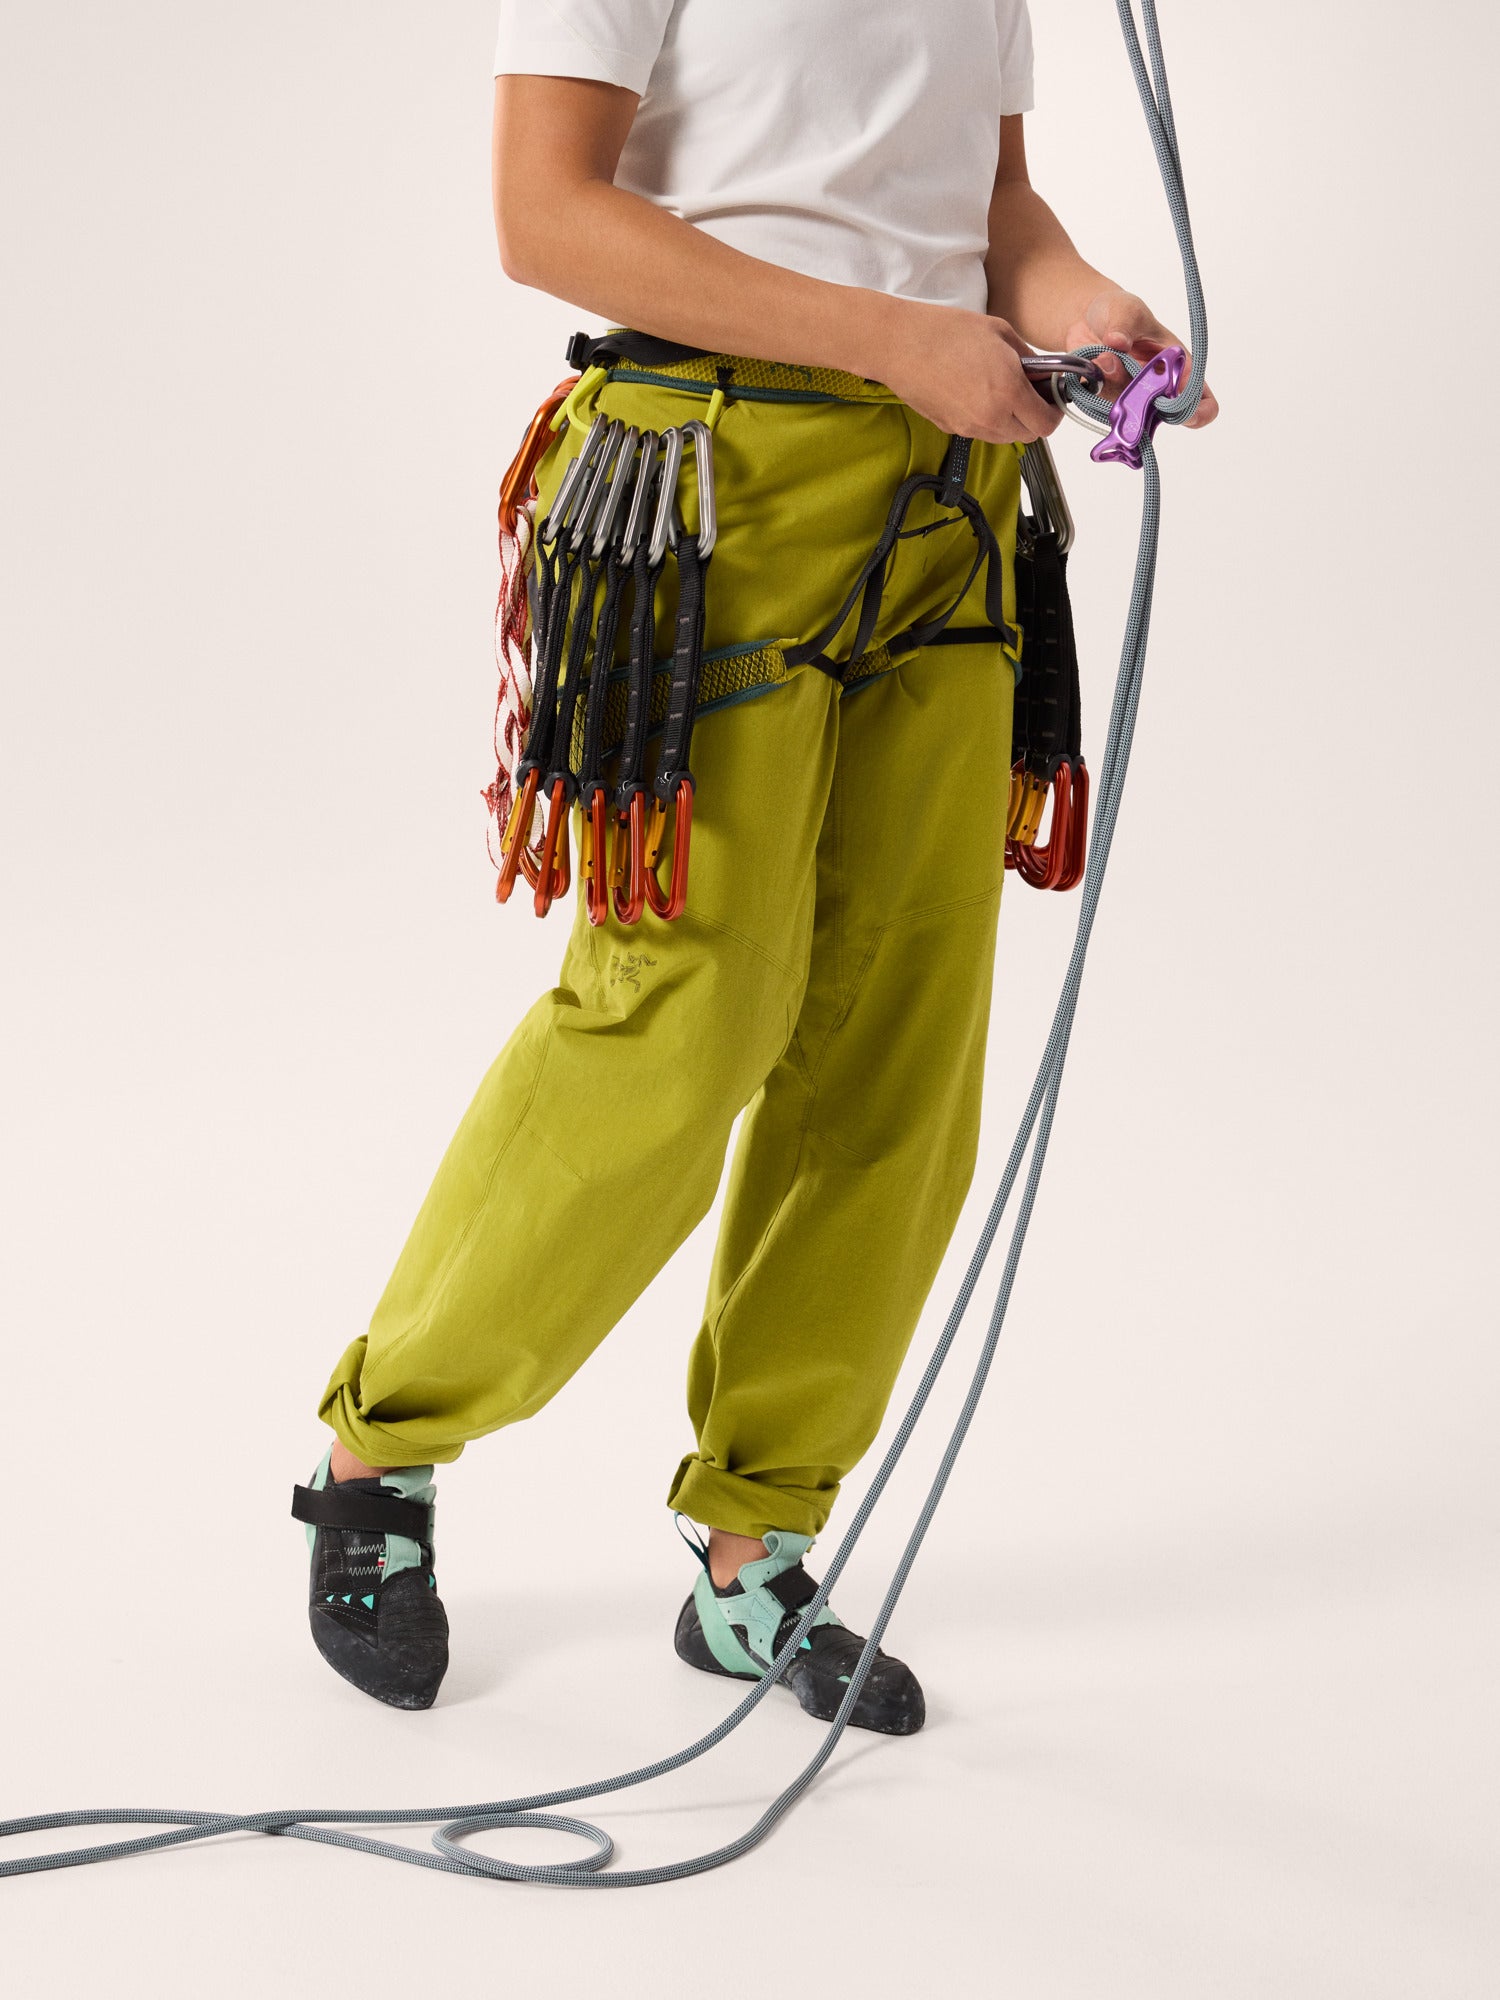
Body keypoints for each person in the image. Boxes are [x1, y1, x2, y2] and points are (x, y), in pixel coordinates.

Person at [292, 0, 1217, 1723]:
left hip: (949, 497)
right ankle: (377, 1457)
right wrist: (894, 337)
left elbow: (991, 205)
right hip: (708, 486)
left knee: (896, 1044)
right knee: (684, 1017)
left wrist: (1075, 305)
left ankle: (753, 1550)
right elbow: (545, 214)